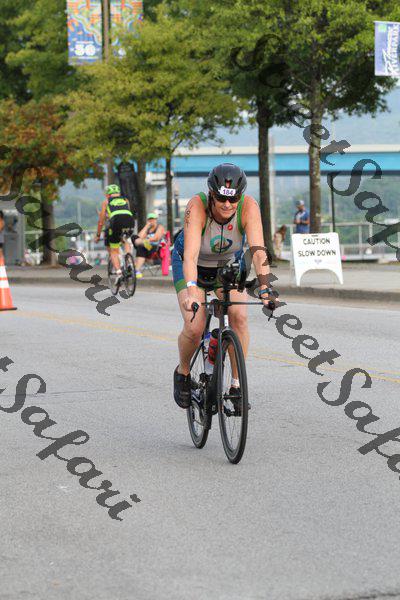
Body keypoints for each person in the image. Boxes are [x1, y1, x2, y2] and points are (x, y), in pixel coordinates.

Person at [172, 162, 275, 409]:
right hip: (192, 264)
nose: (227, 204)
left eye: (233, 199)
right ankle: (183, 372)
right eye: (221, 198)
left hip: (225, 267)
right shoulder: (197, 206)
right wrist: (191, 290)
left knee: (239, 316)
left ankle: (237, 385)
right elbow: (191, 257)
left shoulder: (249, 206)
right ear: (211, 194)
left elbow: (258, 251)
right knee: (195, 326)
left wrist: (265, 288)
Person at [95, 184, 134, 284]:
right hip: (129, 220)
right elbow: (125, 212)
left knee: (114, 251)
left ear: (107, 195)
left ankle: (119, 273)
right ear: (118, 193)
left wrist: (98, 235)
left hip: (116, 222)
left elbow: (101, 221)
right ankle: (129, 261)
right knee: (125, 239)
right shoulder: (125, 200)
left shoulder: (106, 202)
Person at [132, 212, 166, 279]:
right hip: (146, 247)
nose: (151, 221)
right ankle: (137, 271)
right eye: (150, 219)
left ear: (156, 220)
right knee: (136, 240)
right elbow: (139, 236)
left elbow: (156, 238)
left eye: (153, 219)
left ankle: (136, 270)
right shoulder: (148, 229)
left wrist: (145, 240)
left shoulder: (159, 227)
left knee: (139, 243)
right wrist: (146, 226)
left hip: (155, 248)